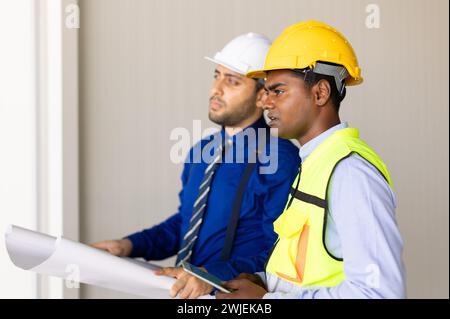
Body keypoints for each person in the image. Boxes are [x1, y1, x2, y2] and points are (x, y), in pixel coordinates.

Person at [92, 33, 301, 299]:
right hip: (188, 296)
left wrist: (211, 275)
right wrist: (128, 245)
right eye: (216, 76)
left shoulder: (280, 159)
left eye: (232, 81)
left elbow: (281, 252)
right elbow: (186, 223)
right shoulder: (201, 151)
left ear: (262, 97)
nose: (216, 89)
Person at [216, 20, 406, 299]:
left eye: (278, 91)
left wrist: (267, 301)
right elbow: (306, 271)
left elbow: (379, 293)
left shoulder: (351, 173)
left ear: (320, 93)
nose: (266, 102)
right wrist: (262, 281)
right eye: (266, 91)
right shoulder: (316, 163)